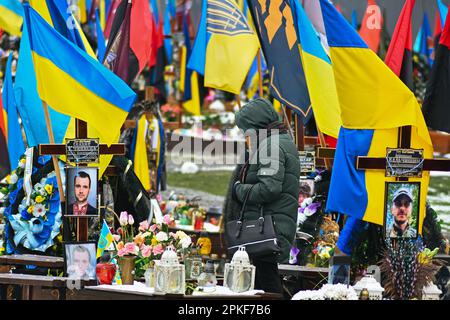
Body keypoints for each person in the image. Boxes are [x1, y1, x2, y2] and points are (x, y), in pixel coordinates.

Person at [229, 98, 300, 294]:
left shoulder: (271, 146)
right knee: (263, 283)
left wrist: (238, 190)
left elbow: (269, 188)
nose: (245, 136)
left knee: (268, 283)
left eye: (246, 130)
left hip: (269, 227)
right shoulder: (277, 140)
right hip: (272, 224)